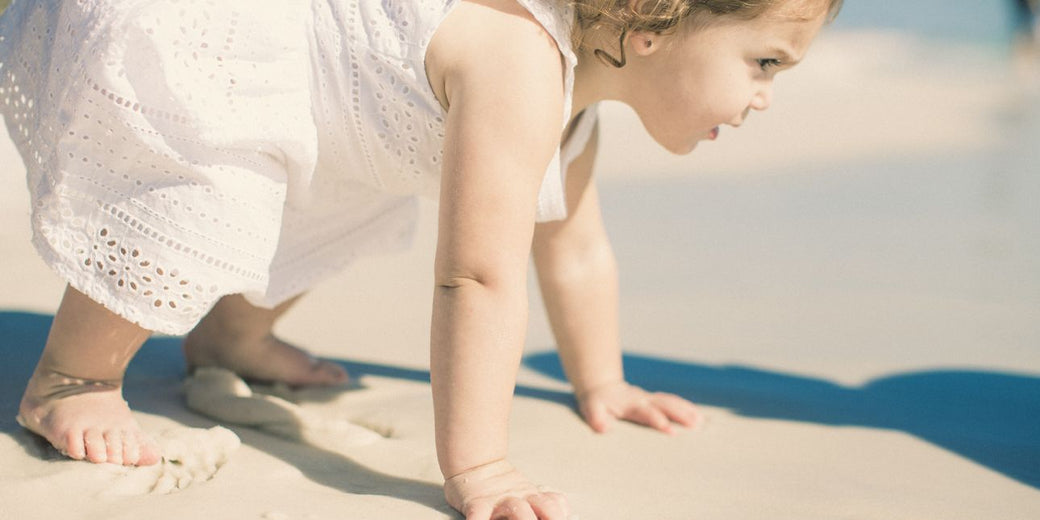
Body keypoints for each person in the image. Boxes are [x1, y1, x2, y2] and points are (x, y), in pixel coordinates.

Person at [0, 0, 841, 518]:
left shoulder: (573, 108)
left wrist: (603, 383)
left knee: (336, 207)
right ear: (655, 20)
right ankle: (73, 378)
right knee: (203, 197)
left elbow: (575, 248)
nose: (764, 95)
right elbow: (478, 276)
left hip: (336, 109)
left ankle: (229, 340)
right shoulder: (521, 61)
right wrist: (479, 465)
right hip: (219, 31)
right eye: (763, 61)